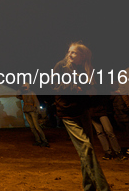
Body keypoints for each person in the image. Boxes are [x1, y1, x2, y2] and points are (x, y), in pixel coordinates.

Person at [53, 42, 110, 191]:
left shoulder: (86, 69)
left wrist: (92, 91)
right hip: (67, 113)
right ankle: (103, 188)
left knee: (86, 152)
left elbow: (92, 89)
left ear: (82, 56)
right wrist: (75, 87)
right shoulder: (61, 66)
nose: (70, 54)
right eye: (69, 51)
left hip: (83, 111)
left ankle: (89, 187)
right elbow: (55, 85)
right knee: (86, 148)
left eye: (74, 52)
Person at [110, 87, 129, 164]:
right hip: (127, 119)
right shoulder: (120, 96)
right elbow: (122, 107)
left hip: (122, 119)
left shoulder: (115, 95)